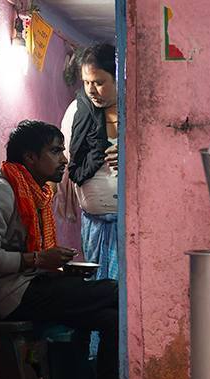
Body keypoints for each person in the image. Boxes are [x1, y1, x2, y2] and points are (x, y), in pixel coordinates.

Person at [0, 120, 119, 379]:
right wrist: (40, 260)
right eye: (55, 151)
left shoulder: (37, 194)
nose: (64, 160)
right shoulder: (1, 191)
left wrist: (60, 267)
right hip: (10, 297)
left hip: (33, 285)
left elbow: (32, 257)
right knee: (115, 292)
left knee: (113, 319)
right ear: (29, 157)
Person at [67, 42, 119, 281]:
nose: (91, 90)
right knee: (98, 297)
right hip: (94, 229)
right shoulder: (79, 112)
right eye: (86, 82)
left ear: (118, 77)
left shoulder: (140, 112)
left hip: (133, 228)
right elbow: (67, 162)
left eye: (98, 82)